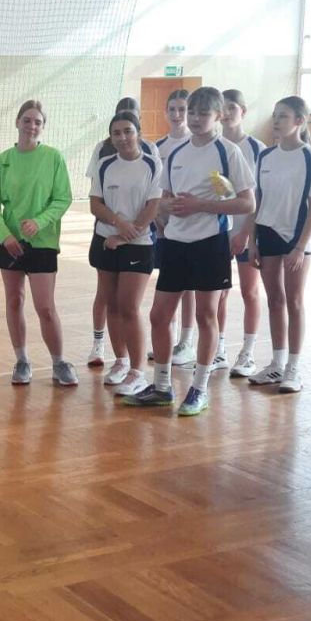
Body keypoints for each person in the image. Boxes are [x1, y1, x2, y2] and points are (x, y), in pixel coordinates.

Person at [126, 86, 254, 417]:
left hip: (210, 242)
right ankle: (162, 386)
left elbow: (247, 202)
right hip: (175, 243)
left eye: (203, 113)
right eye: (192, 112)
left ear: (219, 116)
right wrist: (166, 210)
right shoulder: (176, 153)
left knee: (206, 315)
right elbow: (164, 198)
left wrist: (202, 205)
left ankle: (199, 388)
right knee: (159, 315)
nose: (195, 119)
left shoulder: (228, 152)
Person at [0, 100, 78, 386]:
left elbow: (62, 198)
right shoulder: (2, 161)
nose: (31, 126)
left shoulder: (53, 158)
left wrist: (40, 221)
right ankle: (22, 361)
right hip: (10, 243)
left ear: (43, 126)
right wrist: (5, 235)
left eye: (37, 122)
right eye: (27, 120)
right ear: (17, 122)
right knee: (14, 301)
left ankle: (59, 362)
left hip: (43, 242)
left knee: (45, 307)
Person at [247, 96, 311, 393]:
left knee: (294, 301)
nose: (277, 121)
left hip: (296, 237)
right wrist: (252, 241)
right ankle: (277, 363)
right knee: (274, 300)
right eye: (275, 115)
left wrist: (300, 247)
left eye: (283, 116)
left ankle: (293, 367)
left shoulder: (310, 157)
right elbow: (257, 201)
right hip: (267, 233)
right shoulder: (265, 156)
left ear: (299, 121)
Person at [88, 111, 162, 396]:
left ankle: (137, 371)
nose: (122, 137)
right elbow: (96, 204)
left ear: (138, 133)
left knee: (129, 306)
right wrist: (118, 225)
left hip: (138, 243)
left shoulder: (152, 164)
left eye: (128, 131)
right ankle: (120, 361)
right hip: (106, 240)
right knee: (112, 304)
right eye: (116, 133)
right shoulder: (104, 164)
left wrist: (128, 234)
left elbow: (153, 205)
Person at [218, 90, 265, 377]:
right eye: (222, 108)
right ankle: (219, 348)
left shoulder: (257, 148)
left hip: (247, 232)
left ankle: (247, 353)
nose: (226, 113)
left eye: (232, 108)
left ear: (243, 112)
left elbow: (260, 196)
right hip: (219, 233)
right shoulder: (214, 146)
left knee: (249, 291)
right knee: (219, 292)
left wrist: (246, 232)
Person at [152, 88, 198, 368]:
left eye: (183, 109)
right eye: (173, 109)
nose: (177, 114)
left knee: (189, 286)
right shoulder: (158, 147)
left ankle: (187, 341)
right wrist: (159, 218)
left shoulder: (198, 144)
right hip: (164, 228)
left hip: (192, 227)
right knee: (169, 284)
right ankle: (167, 339)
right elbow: (156, 189)